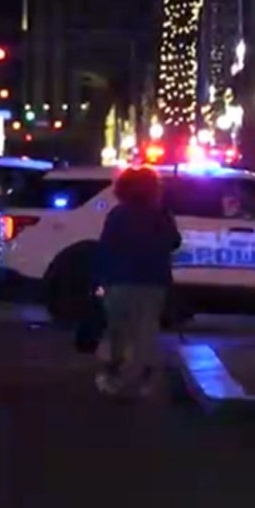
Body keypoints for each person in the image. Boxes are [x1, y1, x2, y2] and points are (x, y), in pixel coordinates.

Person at [94, 166, 181, 399]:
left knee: (117, 330)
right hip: (152, 279)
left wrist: (101, 280)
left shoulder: (118, 215)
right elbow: (174, 242)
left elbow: (106, 248)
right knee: (145, 330)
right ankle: (142, 378)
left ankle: (114, 373)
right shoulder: (160, 214)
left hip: (120, 279)